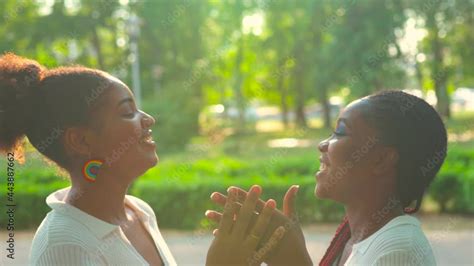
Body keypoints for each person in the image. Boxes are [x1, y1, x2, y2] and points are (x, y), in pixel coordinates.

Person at [0, 53, 285, 265]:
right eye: (128, 112)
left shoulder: (139, 212)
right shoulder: (64, 246)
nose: (148, 119)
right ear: (82, 141)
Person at [207, 90, 447, 265]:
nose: (323, 144)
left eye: (340, 132)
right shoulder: (356, 241)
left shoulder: (396, 253)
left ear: (381, 160)